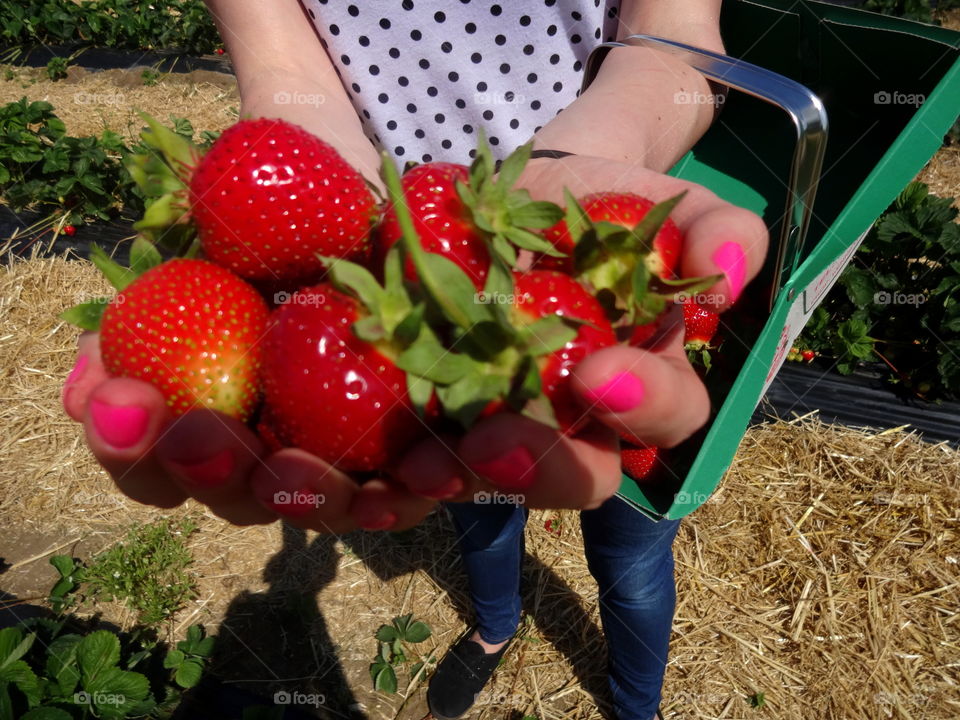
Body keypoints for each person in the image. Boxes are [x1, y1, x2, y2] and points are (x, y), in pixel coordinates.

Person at [60, 2, 769, 719]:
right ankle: (495, 628)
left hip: (562, 231)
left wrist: (580, 157)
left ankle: (635, 702)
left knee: (632, 548)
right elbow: (283, 67)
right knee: (468, 489)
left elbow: (675, 40)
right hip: (389, 260)